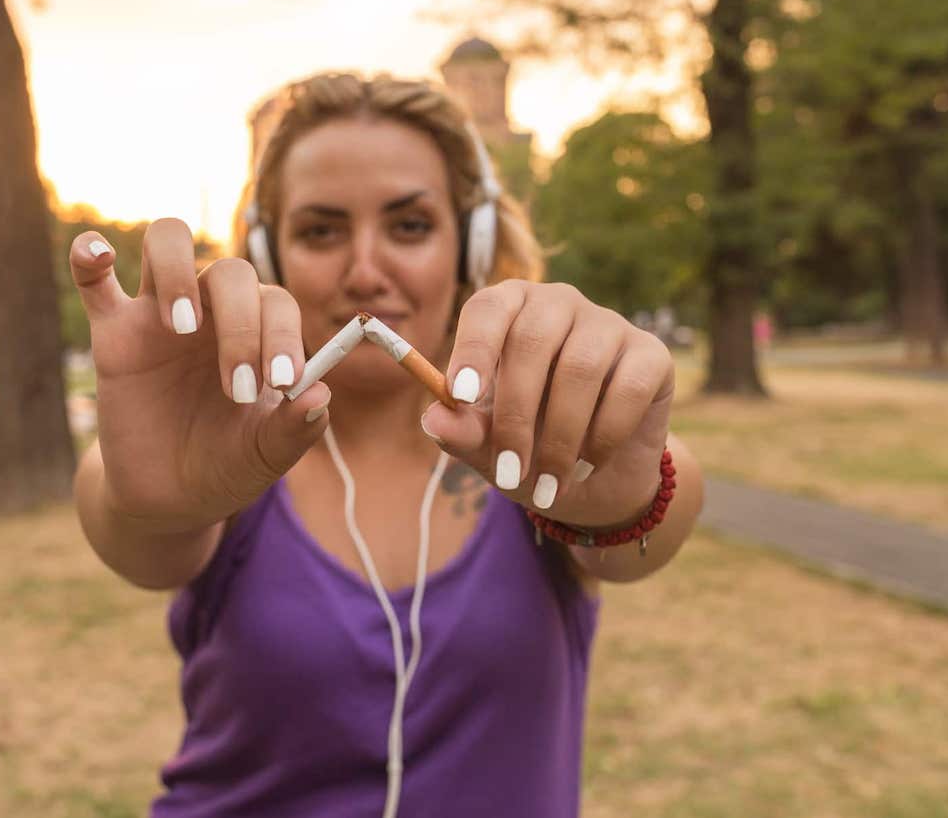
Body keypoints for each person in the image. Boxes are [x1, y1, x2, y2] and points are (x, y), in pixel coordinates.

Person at [69, 73, 705, 817]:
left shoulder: (542, 438)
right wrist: (156, 501)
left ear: (469, 246)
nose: (366, 272)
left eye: (408, 227)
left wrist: (618, 487)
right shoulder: (219, 448)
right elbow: (138, 524)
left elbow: (653, 515)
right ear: (269, 256)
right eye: (320, 231)